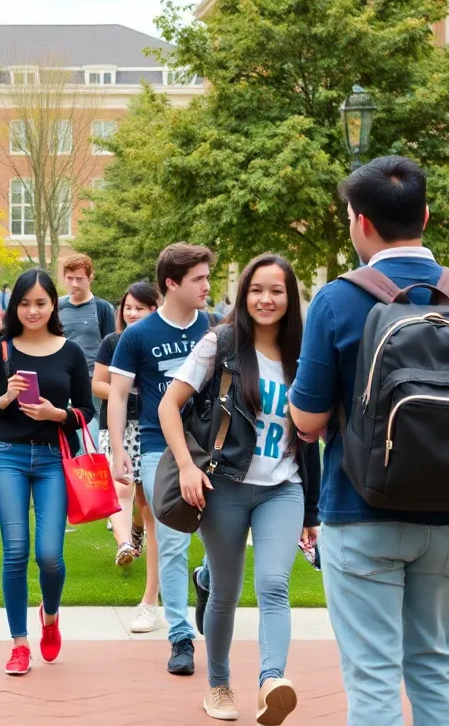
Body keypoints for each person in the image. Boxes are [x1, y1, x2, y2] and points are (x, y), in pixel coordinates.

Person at [289, 156, 449, 726]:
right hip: (448, 517)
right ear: (427, 216)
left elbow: (309, 420)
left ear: (360, 222)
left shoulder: (337, 300)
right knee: (435, 665)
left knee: (372, 676)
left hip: (360, 507)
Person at [160, 254, 320, 723]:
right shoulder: (221, 342)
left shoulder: (305, 356)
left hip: (282, 489)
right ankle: (219, 685)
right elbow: (169, 407)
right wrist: (188, 467)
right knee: (226, 591)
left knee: (274, 585)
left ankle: (272, 681)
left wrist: (311, 510)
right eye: (257, 289)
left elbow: (310, 438)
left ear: (291, 298)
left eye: (276, 290)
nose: (266, 299)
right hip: (224, 486)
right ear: (244, 293)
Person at [0, 269, 94, 676]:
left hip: (53, 461)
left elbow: (86, 412)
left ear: (53, 305)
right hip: (8, 457)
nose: (32, 310)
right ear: (14, 307)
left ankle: (50, 615)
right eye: (25, 303)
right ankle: (19, 643)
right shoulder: (2, 351)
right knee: (14, 552)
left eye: (41, 303)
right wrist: (6, 398)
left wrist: (56, 414)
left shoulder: (71, 352)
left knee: (49, 556)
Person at [109, 242, 215, 676]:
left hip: (209, 449)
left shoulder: (212, 327)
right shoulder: (138, 335)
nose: (208, 286)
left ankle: (205, 579)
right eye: (199, 279)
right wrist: (118, 449)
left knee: (220, 537)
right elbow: (117, 394)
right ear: (172, 283)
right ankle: (180, 637)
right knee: (172, 541)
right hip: (157, 449)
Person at [94, 282, 164, 629]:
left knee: (146, 503)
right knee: (121, 489)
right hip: (119, 426)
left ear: (155, 308)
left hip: (153, 429)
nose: (132, 312)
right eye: (128, 307)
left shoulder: (158, 342)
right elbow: (98, 383)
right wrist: (126, 393)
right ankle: (125, 544)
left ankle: (136, 534)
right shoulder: (113, 341)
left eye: (140, 307)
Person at [58, 254, 117, 451]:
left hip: (94, 383)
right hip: (64, 382)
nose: (74, 283)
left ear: (90, 278)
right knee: (70, 443)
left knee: (94, 441)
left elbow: (112, 348)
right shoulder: (57, 307)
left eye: (79, 279)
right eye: (70, 278)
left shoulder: (102, 308)